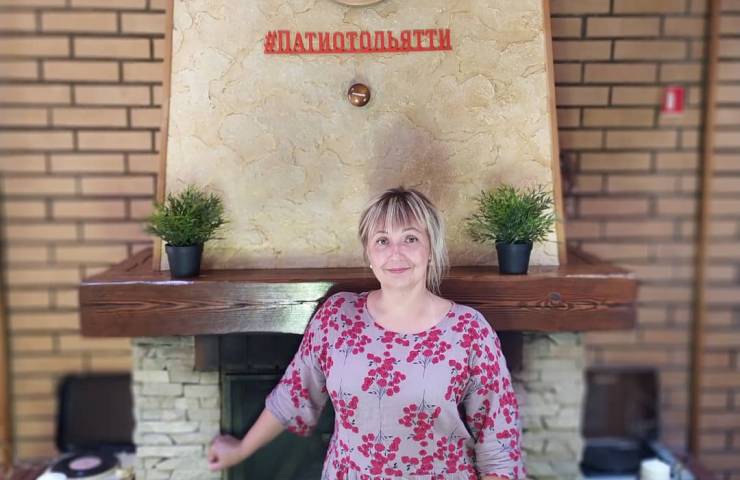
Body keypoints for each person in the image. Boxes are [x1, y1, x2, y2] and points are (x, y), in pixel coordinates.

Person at [208, 187, 524, 479]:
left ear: (431, 248)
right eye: (382, 241)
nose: (396, 253)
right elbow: (295, 393)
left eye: (411, 238)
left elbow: (498, 445)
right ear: (369, 254)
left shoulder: (469, 331)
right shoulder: (337, 316)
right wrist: (241, 450)